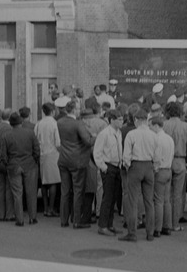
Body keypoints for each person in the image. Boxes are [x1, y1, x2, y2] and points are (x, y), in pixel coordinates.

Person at [119, 107, 158, 242]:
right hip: (149, 166)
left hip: (135, 166)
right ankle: (150, 233)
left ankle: (132, 233)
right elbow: (157, 156)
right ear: (146, 120)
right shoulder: (153, 135)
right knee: (149, 202)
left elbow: (126, 156)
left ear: (136, 120)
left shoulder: (132, 134)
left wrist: (128, 166)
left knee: (133, 201)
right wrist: (155, 167)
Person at [56, 97, 95, 229]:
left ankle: (63, 220)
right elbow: (88, 141)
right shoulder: (78, 124)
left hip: (63, 159)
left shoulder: (60, 122)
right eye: (78, 108)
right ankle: (77, 220)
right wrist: (95, 136)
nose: (80, 110)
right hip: (77, 161)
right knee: (78, 191)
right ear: (74, 109)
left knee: (65, 191)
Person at [5, 111, 41, 226]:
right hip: (29, 164)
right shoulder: (30, 133)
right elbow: (37, 150)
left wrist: (8, 163)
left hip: (14, 165)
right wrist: (34, 160)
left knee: (17, 193)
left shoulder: (6, 135)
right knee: (31, 192)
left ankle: (19, 219)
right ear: (21, 122)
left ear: (10, 123)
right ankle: (32, 217)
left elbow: (3, 154)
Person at [93, 109, 124, 236]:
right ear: (112, 120)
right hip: (108, 167)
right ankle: (102, 225)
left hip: (117, 167)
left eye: (122, 119)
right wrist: (103, 167)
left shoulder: (119, 133)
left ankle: (110, 224)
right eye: (119, 119)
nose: (122, 122)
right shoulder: (104, 134)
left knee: (113, 197)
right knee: (107, 197)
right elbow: (97, 153)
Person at [163, 101, 187, 231]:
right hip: (180, 160)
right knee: (178, 195)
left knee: (165, 194)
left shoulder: (164, 125)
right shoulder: (186, 126)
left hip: (166, 160)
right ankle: (175, 224)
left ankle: (166, 222)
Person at [149, 113, 175, 237]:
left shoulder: (157, 139)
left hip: (159, 170)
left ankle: (157, 228)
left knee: (157, 201)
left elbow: (157, 157)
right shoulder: (169, 138)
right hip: (169, 170)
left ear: (155, 126)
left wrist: (154, 168)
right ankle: (167, 226)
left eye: (150, 126)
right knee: (166, 200)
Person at [35, 101, 62, 217]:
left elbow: (35, 139)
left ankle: (45, 208)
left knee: (44, 182)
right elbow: (58, 143)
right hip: (53, 154)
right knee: (53, 182)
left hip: (42, 154)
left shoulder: (38, 124)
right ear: (52, 111)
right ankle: (51, 208)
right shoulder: (54, 124)